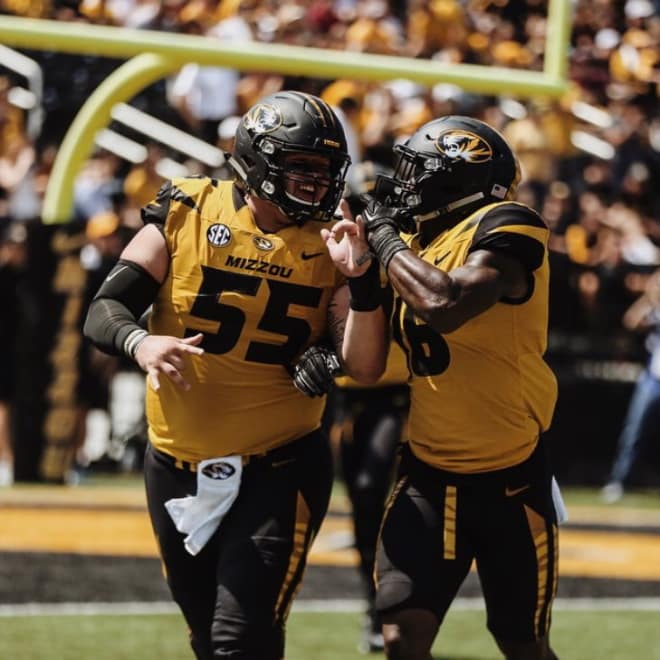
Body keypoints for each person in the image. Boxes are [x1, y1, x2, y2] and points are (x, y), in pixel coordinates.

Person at [83, 90, 388, 660]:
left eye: (324, 171)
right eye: (300, 167)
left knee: (237, 638)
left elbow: (365, 365)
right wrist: (141, 342)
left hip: (280, 463)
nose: (315, 184)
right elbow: (105, 308)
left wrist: (364, 282)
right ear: (256, 160)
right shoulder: (189, 209)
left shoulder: (336, 238)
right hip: (175, 462)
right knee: (212, 637)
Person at [361, 116, 561, 660]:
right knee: (402, 636)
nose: (400, 184)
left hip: (510, 477)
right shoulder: (412, 243)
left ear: (454, 178)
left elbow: (446, 305)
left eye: (415, 172)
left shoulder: (509, 222)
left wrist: (380, 239)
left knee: (521, 643)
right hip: (428, 471)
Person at [601, 267, 660, 503]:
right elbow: (631, 321)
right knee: (633, 432)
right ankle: (619, 480)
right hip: (653, 380)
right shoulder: (655, 310)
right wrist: (649, 295)